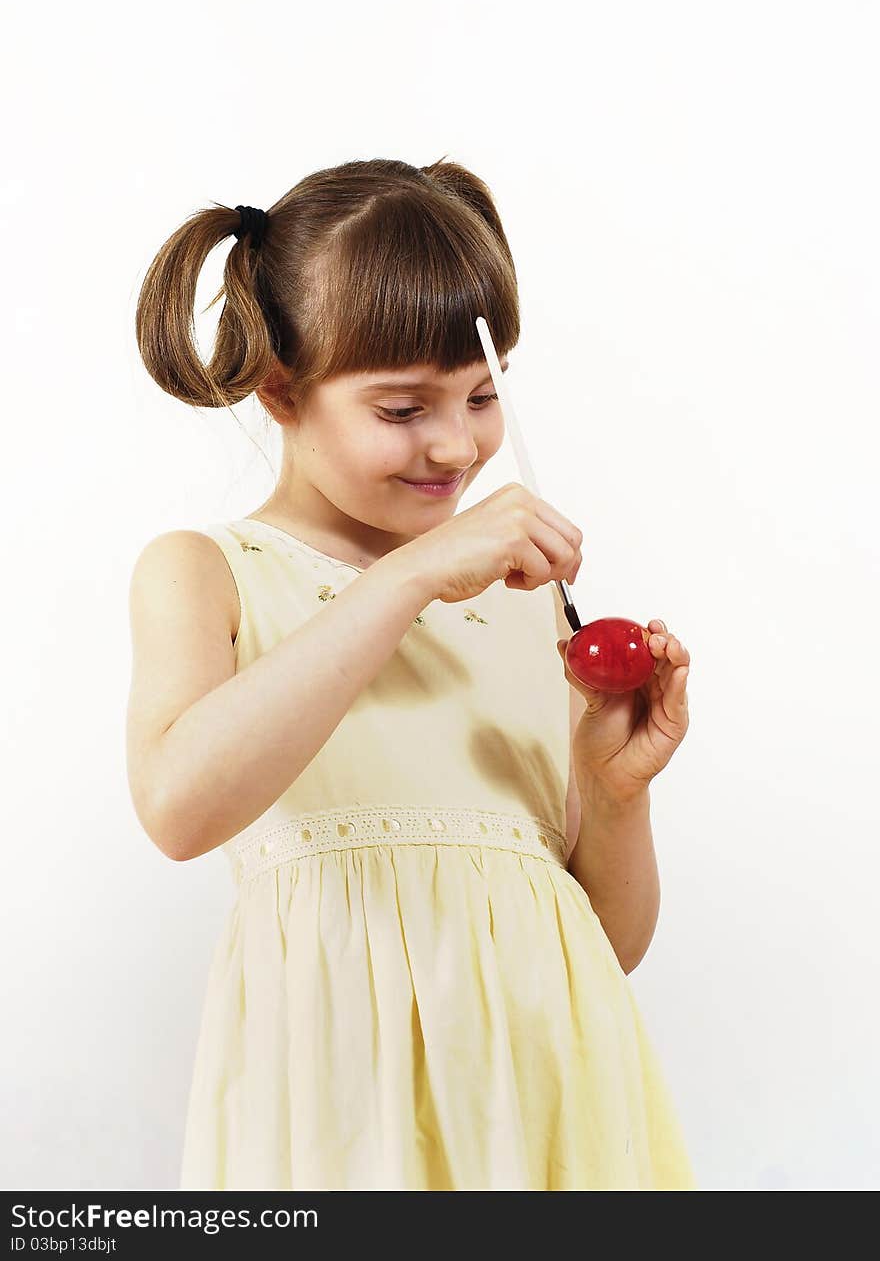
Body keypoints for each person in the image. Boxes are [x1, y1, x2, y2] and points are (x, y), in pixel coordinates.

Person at [127, 155, 695, 1190]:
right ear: (282, 391)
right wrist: (408, 578)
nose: (454, 443)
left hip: (550, 1104)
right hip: (348, 1107)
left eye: (481, 396)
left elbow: (600, 946)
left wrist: (616, 795)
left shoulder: (524, 602)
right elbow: (178, 806)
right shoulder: (208, 573)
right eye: (401, 409)